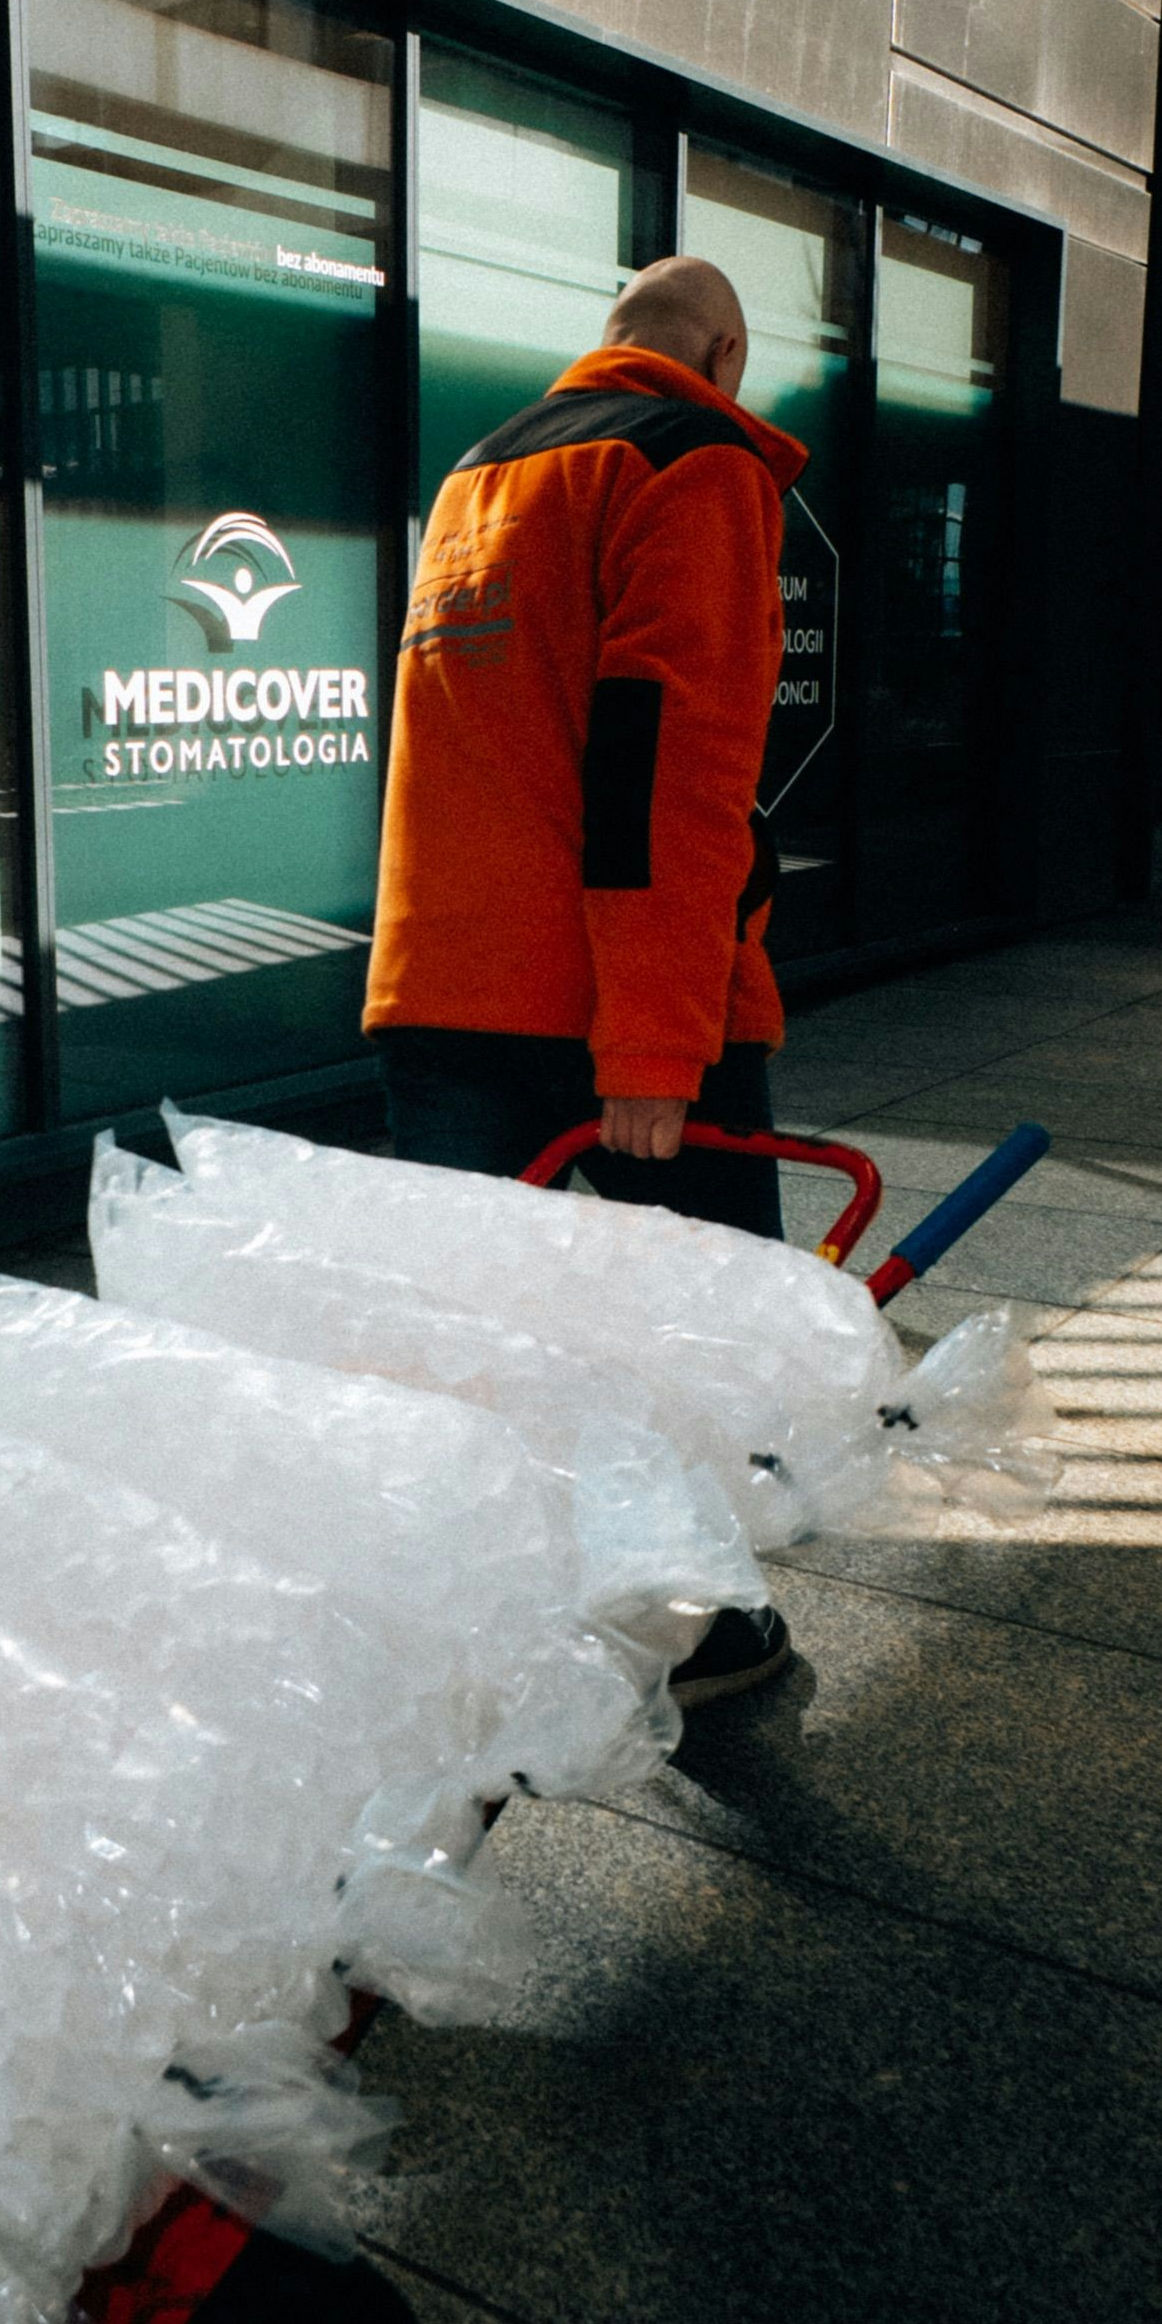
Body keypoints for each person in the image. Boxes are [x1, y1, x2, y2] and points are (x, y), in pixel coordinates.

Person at [364, 252, 806, 1699]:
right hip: (605, 1004)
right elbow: (661, 769)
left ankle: (484, 1630)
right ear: (722, 354)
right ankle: (704, 1626)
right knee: (704, 1342)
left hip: (445, 988)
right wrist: (659, 1047)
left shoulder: (478, 476)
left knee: (484, 1350)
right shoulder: (693, 462)